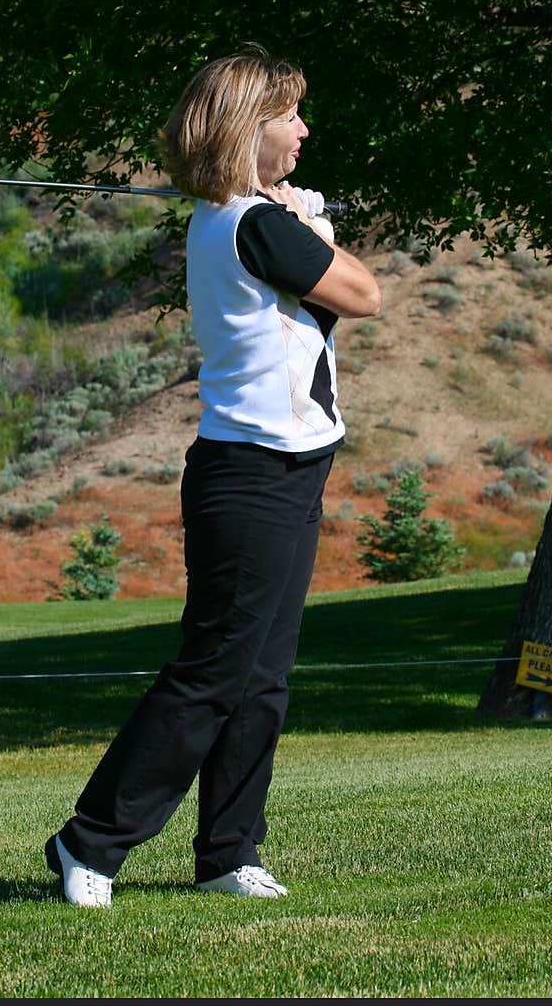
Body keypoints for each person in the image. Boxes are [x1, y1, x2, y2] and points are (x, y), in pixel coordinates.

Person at [46, 48, 381, 907]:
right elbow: (363, 295)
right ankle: (90, 842)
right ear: (249, 129)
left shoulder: (250, 218)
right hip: (252, 472)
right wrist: (310, 228)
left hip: (292, 466)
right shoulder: (256, 225)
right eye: (290, 117)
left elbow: (320, 293)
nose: (304, 130)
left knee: (262, 676)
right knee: (215, 669)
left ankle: (230, 850)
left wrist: (297, 218)